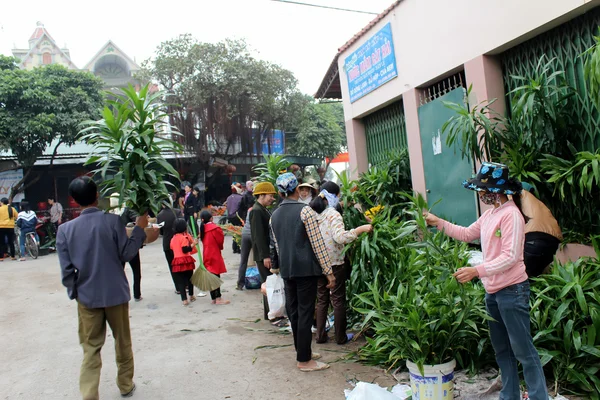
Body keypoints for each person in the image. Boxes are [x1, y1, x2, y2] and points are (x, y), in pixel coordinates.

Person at [424, 162, 548, 400]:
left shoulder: (511, 215)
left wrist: (476, 271)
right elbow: (466, 234)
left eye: (483, 189)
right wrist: (437, 222)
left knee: (523, 350)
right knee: (502, 350)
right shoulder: (491, 214)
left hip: (512, 291)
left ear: (496, 191)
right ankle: (509, 395)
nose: (480, 194)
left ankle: (539, 396)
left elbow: (510, 257)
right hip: (493, 292)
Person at [56, 176, 146, 399]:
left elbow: (67, 272)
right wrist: (139, 230)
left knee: (91, 348)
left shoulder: (65, 231)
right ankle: (125, 385)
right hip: (116, 293)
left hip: (87, 297)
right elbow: (127, 254)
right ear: (97, 196)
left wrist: (75, 291)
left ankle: (89, 394)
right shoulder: (113, 222)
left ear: (74, 201)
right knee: (122, 342)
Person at [270, 172, 335, 372]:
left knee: (295, 313)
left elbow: (278, 247)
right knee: (306, 312)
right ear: (297, 190)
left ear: (280, 194)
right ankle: (304, 361)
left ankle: (302, 351)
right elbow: (318, 245)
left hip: (288, 271)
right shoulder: (305, 211)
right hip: (306, 270)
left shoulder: (274, 216)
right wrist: (328, 272)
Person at [310, 181, 372, 345]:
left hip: (317, 261)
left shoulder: (314, 212)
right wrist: (361, 229)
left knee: (322, 299)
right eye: (339, 196)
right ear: (334, 196)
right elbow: (340, 237)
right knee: (338, 300)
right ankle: (340, 337)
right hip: (334, 262)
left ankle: (321, 336)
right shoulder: (332, 214)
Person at [520, 183, 563, 277]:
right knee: (535, 276)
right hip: (552, 242)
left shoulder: (513, 196)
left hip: (533, 239)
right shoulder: (538, 203)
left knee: (521, 279)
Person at [249, 182, 278, 316]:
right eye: (270, 196)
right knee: (268, 285)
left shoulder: (262, 209)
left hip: (266, 253)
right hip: (263, 255)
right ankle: (271, 313)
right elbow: (258, 236)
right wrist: (265, 256)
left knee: (270, 284)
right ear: (261, 195)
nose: (272, 199)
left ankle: (272, 312)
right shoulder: (256, 211)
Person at [199, 210, 230, 305]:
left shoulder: (203, 229)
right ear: (211, 218)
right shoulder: (215, 228)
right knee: (215, 275)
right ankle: (218, 298)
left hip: (206, 254)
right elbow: (220, 241)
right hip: (214, 254)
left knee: (210, 275)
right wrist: (220, 248)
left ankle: (213, 298)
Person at [170, 218, 198, 306]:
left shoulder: (173, 238)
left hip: (177, 262)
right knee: (190, 279)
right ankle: (191, 295)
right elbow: (185, 249)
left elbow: (172, 248)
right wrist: (193, 244)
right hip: (185, 261)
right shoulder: (184, 238)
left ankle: (184, 300)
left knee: (181, 282)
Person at [118, 203, 143, 302]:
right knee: (136, 272)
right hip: (130, 246)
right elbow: (137, 219)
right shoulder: (127, 210)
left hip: (118, 248)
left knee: (119, 273)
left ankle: (121, 295)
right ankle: (137, 294)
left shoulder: (109, 215)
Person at [157, 203, 183, 293]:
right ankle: (186, 285)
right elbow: (183, 225)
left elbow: (160, 231)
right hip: (180, 243)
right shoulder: (177, 212)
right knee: (182, 264)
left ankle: (178, 288)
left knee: (172, 266)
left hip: (167, 243)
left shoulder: (160, 215)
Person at [225, 183, 244, 254]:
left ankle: (234, 248)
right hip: (237, 217)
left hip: (230, 217)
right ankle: (238, 248)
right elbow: (242, 209)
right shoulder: (241, 197)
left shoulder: (229, 197)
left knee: (234, 232)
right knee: (238, 233)